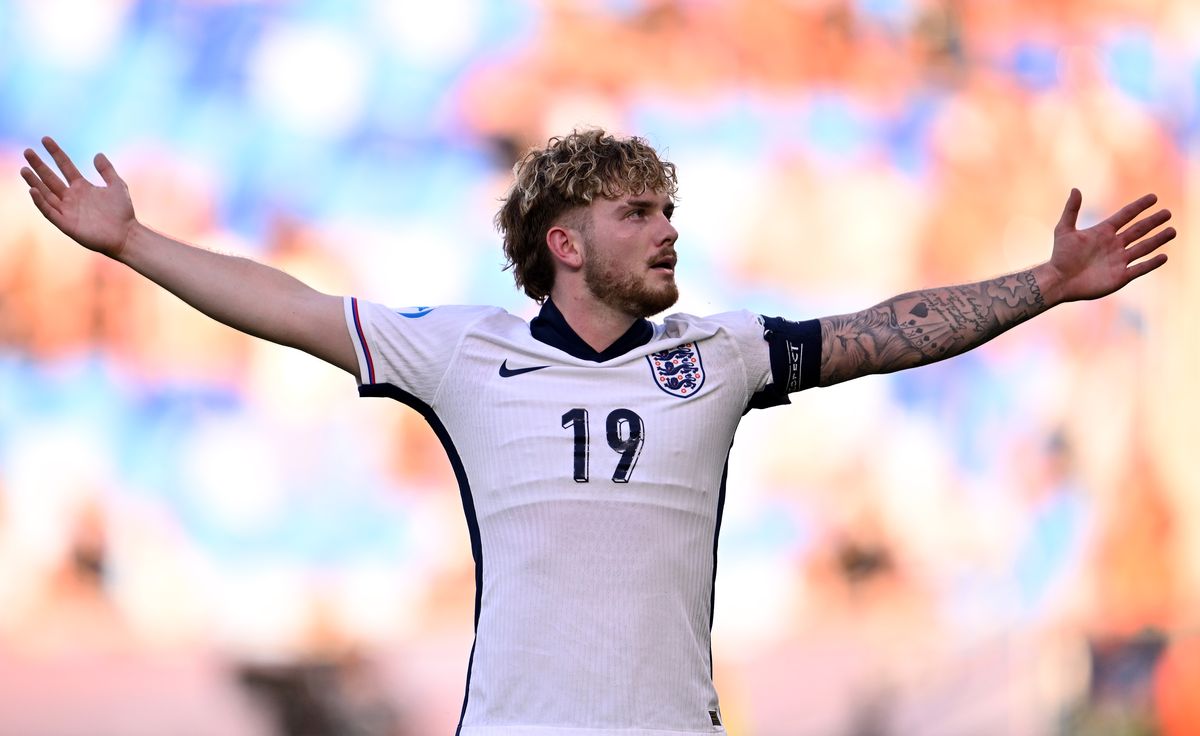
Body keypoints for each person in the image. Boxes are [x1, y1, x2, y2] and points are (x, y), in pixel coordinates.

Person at [20, 129, 1175, 735]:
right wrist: (134, 246)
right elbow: (292, 308)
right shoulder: (467, 354)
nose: (668, 230)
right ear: (565, 243)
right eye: (638, 213)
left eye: (669, 208)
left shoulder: (720, 354)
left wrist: (1041, 284)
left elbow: (880, 332)